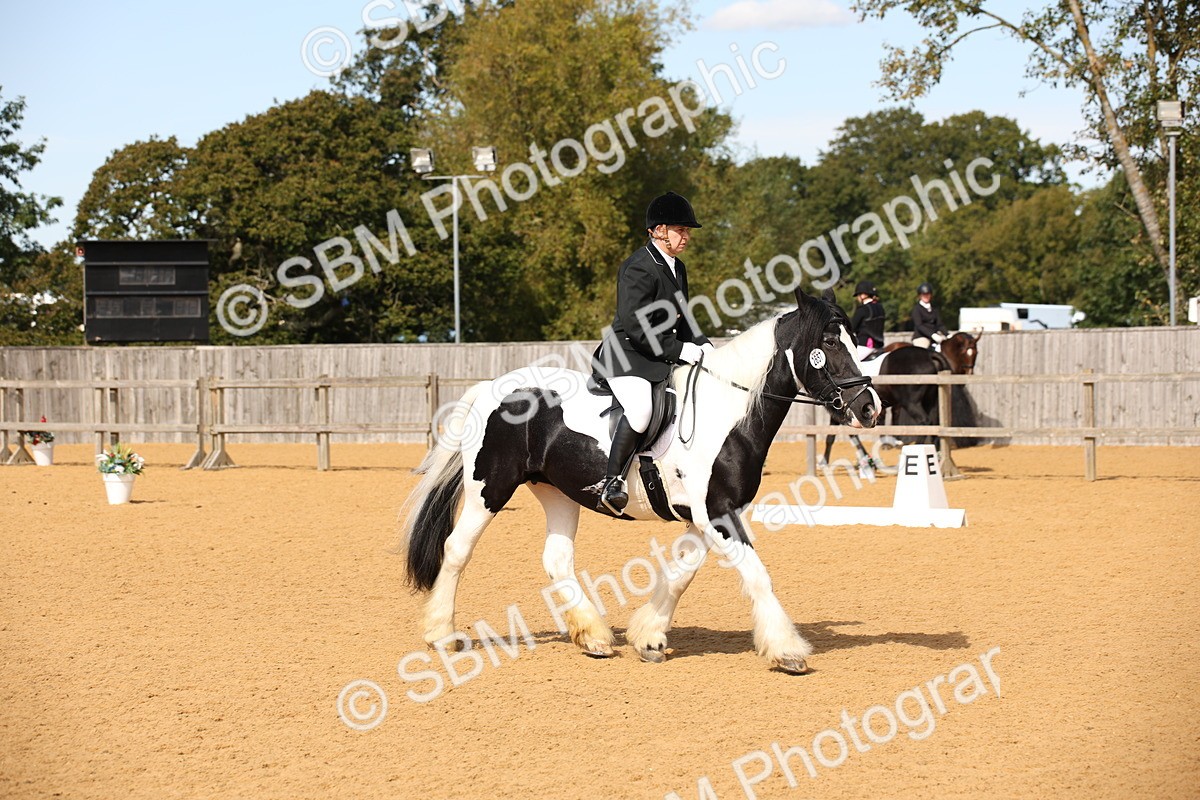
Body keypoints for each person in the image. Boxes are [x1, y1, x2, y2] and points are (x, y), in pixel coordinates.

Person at [594, 191, 713, 515]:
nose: (686, 236)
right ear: (660, 230)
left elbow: (684, 316)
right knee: (641, 408)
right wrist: (679, 349)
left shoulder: (677, 267)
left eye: (687, 231)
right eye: (681, 230)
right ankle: (612, 481)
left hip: (658, 353)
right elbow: (635, 324)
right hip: (627, 353)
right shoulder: (638, 267)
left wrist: (703, 344)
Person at [849, 279, 886, 359]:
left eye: (858, 295)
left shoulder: (863, 309)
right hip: (880, 346)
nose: (858, 298)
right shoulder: (881, 307)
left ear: (863, 295)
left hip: (865, 346)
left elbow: (851, 327)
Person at [911, 282, 949, 348]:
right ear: (920, 296)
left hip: (935, 337)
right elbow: (919, 326)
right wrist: (932, 335)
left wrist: (947, 334)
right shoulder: (917, 309)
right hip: (921, 337)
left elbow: (939, 324)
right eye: (924, 294)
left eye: (928, 294)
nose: (926, 296)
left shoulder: (934, 309)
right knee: (923, 352)